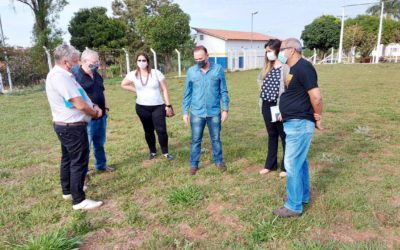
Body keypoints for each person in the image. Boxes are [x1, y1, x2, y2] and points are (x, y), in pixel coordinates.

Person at [45, 44, 103, 210]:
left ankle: (68, 191)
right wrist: (94, 113)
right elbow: (79, 103)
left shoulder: (64, 75)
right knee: (79, 161)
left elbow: (82, 97)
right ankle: (79, 200)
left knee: (68, 159)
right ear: (65, 61)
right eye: (75, 60)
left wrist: (94, 106)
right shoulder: (60, 77)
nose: (77, 63)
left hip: (66, 125)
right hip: (71, 127)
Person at [273, 38, 323, 218]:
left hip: (300, 123)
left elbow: (316, 97)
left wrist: (317, 116)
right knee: (300, 162)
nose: (280, 53)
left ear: (292, 50)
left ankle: (293, 206)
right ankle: (302, 196)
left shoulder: (304, 67)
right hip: (293, 121)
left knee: (291, 164)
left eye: (282, 49)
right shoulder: (293, 69)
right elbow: (296, 95)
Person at [182, 45, 230, 176]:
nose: (199, 61)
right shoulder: (191, 72)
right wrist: (185, 112)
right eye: (196, 59)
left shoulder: (218, 69)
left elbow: (223, 91)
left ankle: (219, 161)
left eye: (201, 58)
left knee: (216, 138)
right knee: (195, 140)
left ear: (207, 56)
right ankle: (193, 164)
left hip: (214, 112)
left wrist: (225, 109)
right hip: (197, 113)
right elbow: (187, 93)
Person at [121, 52, 174, 161]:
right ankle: (152, 151)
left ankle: (165, 152)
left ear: (148, 62)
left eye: (143, 60)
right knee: (148, 130)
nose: (141, 62)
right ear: (136, 62)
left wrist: (168, 105)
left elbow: (164, 89)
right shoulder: (133, 74)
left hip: (158, 106)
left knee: (161, 130)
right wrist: (136, 90)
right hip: (142, 107)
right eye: (139, 60)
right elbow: (123, 84)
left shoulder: (156, 73)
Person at [72, 49, 114, 175]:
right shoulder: (76, 77)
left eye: (97, 61)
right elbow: (77, 99)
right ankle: (83, 173)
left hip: (101, 117)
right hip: (87, 118)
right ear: (84, 61)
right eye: (94, 61)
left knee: (100, 143)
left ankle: (101, 165)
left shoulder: (96, 74)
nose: (97, 64)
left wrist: (106, 108)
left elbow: (102, 91)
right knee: (85, 147)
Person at [257, 39, 289, 177]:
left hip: (277, 107)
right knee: (271, 135)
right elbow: (260, 80)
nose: (268, 54)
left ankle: (285, 167)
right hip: (266, 104)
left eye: (269, 51)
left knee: (283, 135)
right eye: (266, 52)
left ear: (277, 50)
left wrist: (283, 108)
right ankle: (270, 165)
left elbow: (288, 89)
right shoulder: (266, 67)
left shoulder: (285, 68)